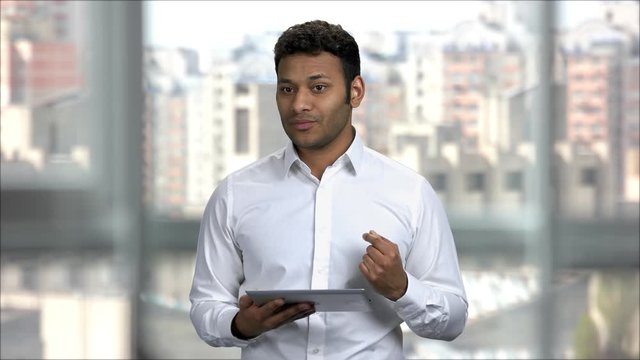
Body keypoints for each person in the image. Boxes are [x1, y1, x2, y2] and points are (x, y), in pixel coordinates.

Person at [189, 20, 468, 360]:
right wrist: (240, 325)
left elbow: (453, 320)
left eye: (318, 88)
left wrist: (403, 288)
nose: (299, 105)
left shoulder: (410, 193)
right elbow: (206, 307)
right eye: (287, 89)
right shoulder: (235, 194)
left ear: (356, 92)